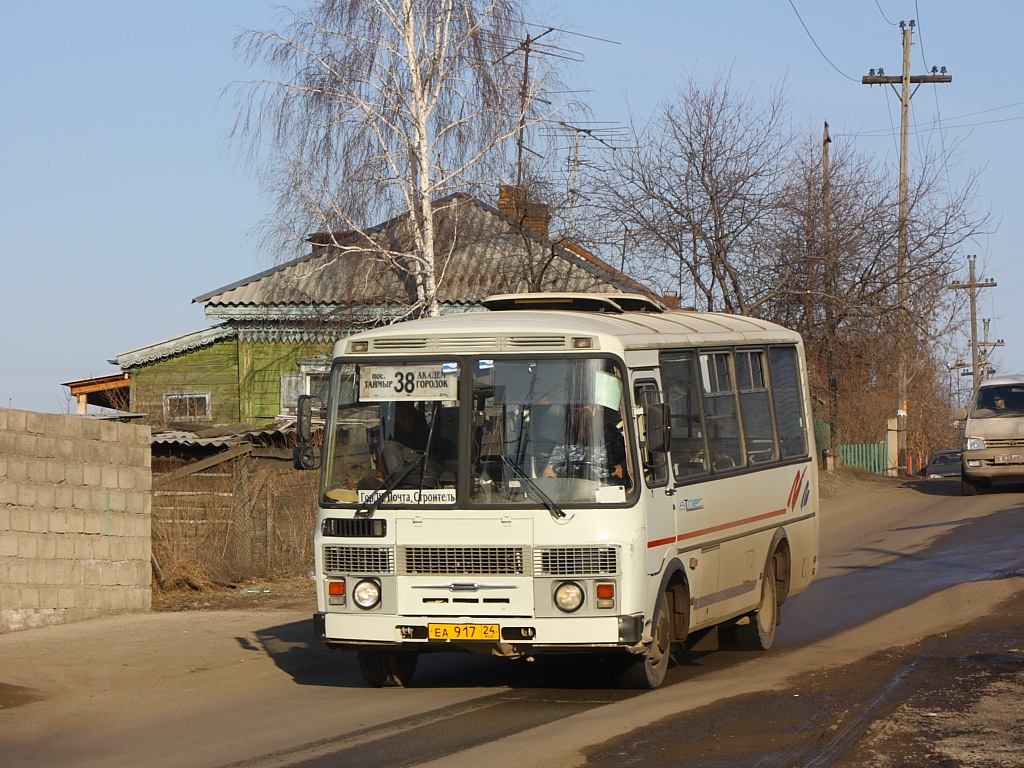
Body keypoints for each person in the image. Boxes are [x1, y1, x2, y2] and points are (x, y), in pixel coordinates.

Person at [541, 404, 628, 486]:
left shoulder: (610, 433)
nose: (581, 416)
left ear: (593, 412)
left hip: (608, 488)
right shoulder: (565, 437)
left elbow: (628, 459)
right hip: (572, 490)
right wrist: (546, 487)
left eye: (585, 411)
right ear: (570, 416)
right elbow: (550, 469)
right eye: (576, 412)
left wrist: (622, 466)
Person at [380, 402, 444, 487]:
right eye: (402, 417)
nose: (407, 421)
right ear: (393, 418)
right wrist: (431, 468)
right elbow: (398, 478)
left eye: (410, 416)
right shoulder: (391, 446)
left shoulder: (420, 435)